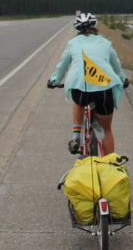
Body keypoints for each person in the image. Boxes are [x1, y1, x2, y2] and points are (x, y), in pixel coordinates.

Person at [47, 12, 128, 155]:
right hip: (103, 88)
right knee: (107, 130)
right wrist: (123, 79)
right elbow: (116, 65)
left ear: (77, 29)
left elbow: (62, 65)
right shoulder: (105, 42)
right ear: (95, 26)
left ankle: (75, 137)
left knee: (78, 102)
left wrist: (54, 80)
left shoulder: (72, 43)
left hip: (80, 88)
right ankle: (110, 165)